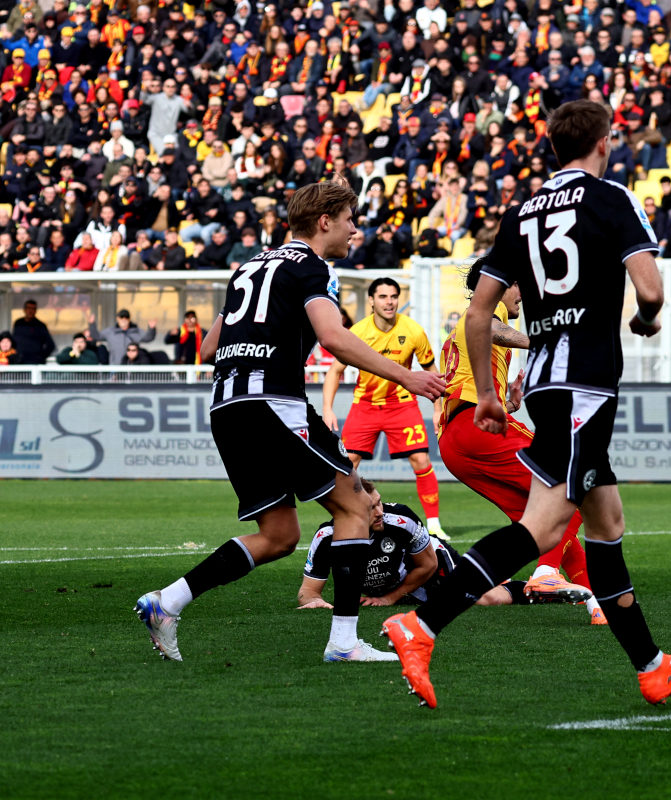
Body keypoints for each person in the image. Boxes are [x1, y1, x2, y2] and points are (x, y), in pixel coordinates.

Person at [382, 100, 671, 709]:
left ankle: (651, 666)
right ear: (606, 141)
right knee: (544, 527)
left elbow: (478, 312)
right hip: (584, 383)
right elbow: (651, 288)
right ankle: (422, 626)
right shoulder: (613, 197)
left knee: (607, 522)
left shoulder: (521, 213)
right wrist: (644, 319)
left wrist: (484, 391)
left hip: (543, 381)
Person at [134, 180, 446, 664]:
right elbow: (334, 337)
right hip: (272, 401)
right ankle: (343, 642)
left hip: (227, 406)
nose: (354, 229)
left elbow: (209, 348)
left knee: (279, 535)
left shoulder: (250, 265)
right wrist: (409, 376)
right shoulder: (313, 266)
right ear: (325, 222)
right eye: (348, 220)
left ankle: (167, 602)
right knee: (356, 506)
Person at [436, 259, 604, 625]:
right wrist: (544, 343)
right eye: (519, 284)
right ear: (501, 285)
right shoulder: (483, 313)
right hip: (476, 429)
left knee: (542, 523)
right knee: (568, 482)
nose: (523, 293)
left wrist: (508, 400)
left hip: (456, 441)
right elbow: (486, 328)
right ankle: (545, 574)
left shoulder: (464, 328)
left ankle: (597, 603)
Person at [297, 480, 588, 610]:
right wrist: (313, 602)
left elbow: (428, 564)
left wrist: (391, 598)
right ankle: (495, 578)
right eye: (370, 508)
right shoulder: (326, 538)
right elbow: (308, 592)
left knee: (488, 599)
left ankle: (536, 589)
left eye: (380, 503)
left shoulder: (400, 521)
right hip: (406, 584)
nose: (379, 512)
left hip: (431, 566)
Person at [321, 277, 449, 541]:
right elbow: (335, 371)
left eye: (393, 296)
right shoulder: (357, 331)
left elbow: (431, 371)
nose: (389, 302)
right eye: (382, 297)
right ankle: (343, 519)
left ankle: (434, 525)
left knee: (422, 460)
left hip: (402, 406)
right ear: (371, 300)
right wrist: (327, 408)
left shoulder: (413, 330)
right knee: (347, 465)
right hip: (364, 406)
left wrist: (438, 409)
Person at [88, 309, 157, 356]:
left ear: (129, 319)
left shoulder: (136, 331)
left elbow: (148, 338)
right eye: (121, 317)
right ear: (117, 318)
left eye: (126, 317)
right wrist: (92, 324)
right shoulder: (111, 331)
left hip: (132, 368)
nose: (124, 319)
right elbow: (96, 336)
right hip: (115, 367)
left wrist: (151, 329)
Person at [11, 301, 55, 365]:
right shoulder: (18, 323)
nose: (30, 311)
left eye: (33, 309)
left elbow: (51, 345)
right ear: (24, 309)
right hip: (19, 362)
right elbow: (13, 341)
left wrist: (41, 357)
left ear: (36, 311)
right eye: (29, 308)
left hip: (35, 363)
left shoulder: (41, 326)